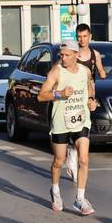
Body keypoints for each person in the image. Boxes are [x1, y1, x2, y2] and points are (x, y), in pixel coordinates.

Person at [37, 39, 97, 215]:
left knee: (84, 159)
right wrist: (59, 94)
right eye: (61, 55)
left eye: (66, 55)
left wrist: (91, 101)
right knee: (58, 161)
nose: (62, 58)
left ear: (76, 55)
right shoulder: (56, 72)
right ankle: (55, 191)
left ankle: (80, 199)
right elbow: (41, 96)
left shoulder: (85, 71)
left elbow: (90, 88)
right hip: (61, 122)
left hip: (81, 120)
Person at [66, 23, 106, 182]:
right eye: (79, 37)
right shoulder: (73, 54)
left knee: (84, 126)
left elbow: (101, 73)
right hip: (73, 96)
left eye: (84, 36)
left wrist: (102, 71)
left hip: (88, 96)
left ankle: (75, 154)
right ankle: (72, 151)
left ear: (90, 37)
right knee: (72, 125)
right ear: (77, 38)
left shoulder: (95, 54)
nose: (82, 39)